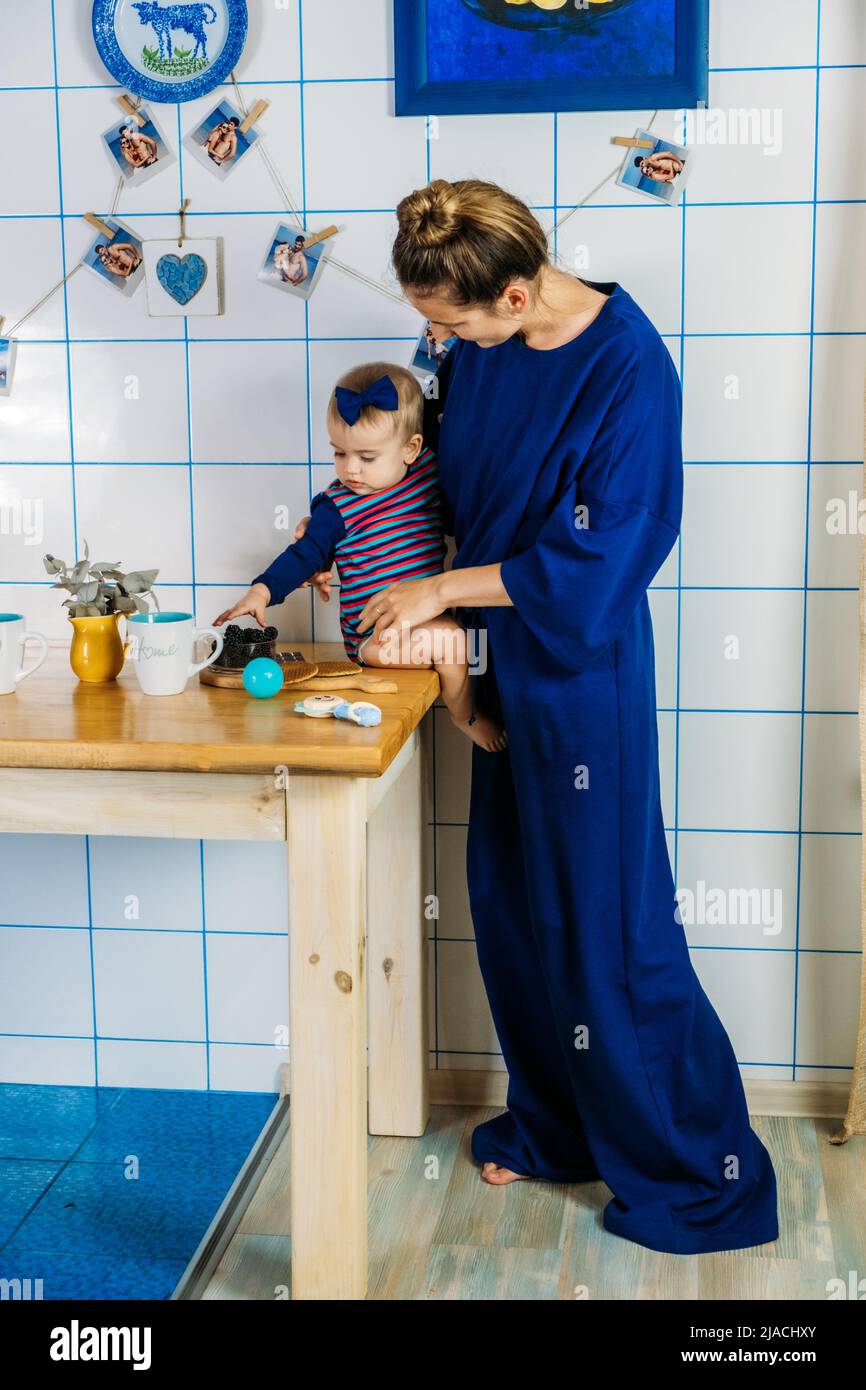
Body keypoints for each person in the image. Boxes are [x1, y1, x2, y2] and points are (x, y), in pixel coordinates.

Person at [306, 177, 778, 1256]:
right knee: (513, 908)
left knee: (610, 930)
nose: (434, 342)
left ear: (515, 295)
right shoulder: (475, 350)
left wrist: (438, 592)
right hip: (494, 659)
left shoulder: (626, 369)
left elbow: (602, 555)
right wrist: (381, 564)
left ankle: (695, 1174)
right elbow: (449, 490)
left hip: (580, 673)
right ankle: (561, 1127)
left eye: (449, 321)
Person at [213, 361, 507, 753]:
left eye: (367, 458)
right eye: (339, 453)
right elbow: (303, 555)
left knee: (455, 635)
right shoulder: (336, 507)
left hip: (422, 620)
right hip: (373, 639)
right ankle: (464, 715)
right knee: (453, 641)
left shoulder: (429, 475)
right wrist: (262, 591)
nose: (350, 469)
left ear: (411, 449)